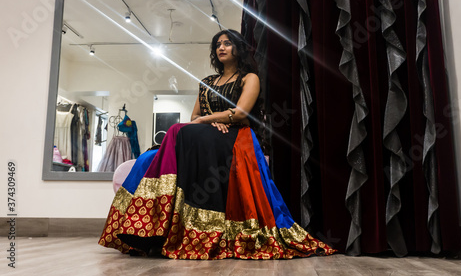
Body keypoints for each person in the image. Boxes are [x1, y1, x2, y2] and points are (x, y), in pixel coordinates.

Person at [98, 29, 336, 259]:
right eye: (218, 44)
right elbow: (194, 117)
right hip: (207, 134)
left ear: (238, 48)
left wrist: (210, 119)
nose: (221, 47)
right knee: (147, 157)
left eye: (227, 43)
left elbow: (241, 113)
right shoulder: (207, 82)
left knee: (175, 130)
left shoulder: (249, 78)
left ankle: (173, 227)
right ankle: (150, 230)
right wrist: (211, 124)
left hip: (237, 136)